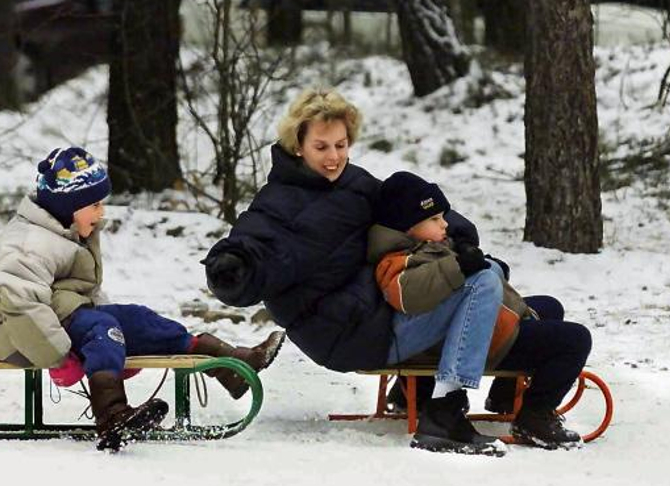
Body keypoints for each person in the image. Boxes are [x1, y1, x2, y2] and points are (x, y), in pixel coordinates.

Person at [0, 147, 284, 451]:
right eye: (94, 205)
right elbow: (21, 306)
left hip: (54, 318)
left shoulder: (63, 232)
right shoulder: (28, 245)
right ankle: (112, 416)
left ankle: (232, 365)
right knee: (103, 327)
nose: (101, 212)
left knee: (137, 319)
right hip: (16, 335)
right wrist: (58, 358)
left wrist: (117, 342)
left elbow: (84, 295)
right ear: (69, 207)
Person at [203, 89, 481, 374]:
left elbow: (410, 211)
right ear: (298, 145)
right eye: (321, 147)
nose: (334, 157)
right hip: (342, 334)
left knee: (476, 279)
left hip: (371, 309)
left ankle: (423, 393)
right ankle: (446, 401)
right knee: (480, 286)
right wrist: (233, 266)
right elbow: (256, 244)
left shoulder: (356, 184)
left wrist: (459, 235)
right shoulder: (278, 201)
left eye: (341, 145)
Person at [369, 171, 592, 452]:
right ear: (408, 226)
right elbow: (408, 294)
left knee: (549, 306)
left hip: (469, 325)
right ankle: (535, 416)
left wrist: (477, 261)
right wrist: (459, 267)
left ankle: (505, 397)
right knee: (575, 340)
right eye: (435, 219)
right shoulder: (395, 260)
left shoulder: (424, 246)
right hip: (467, 340)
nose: (445, 224)